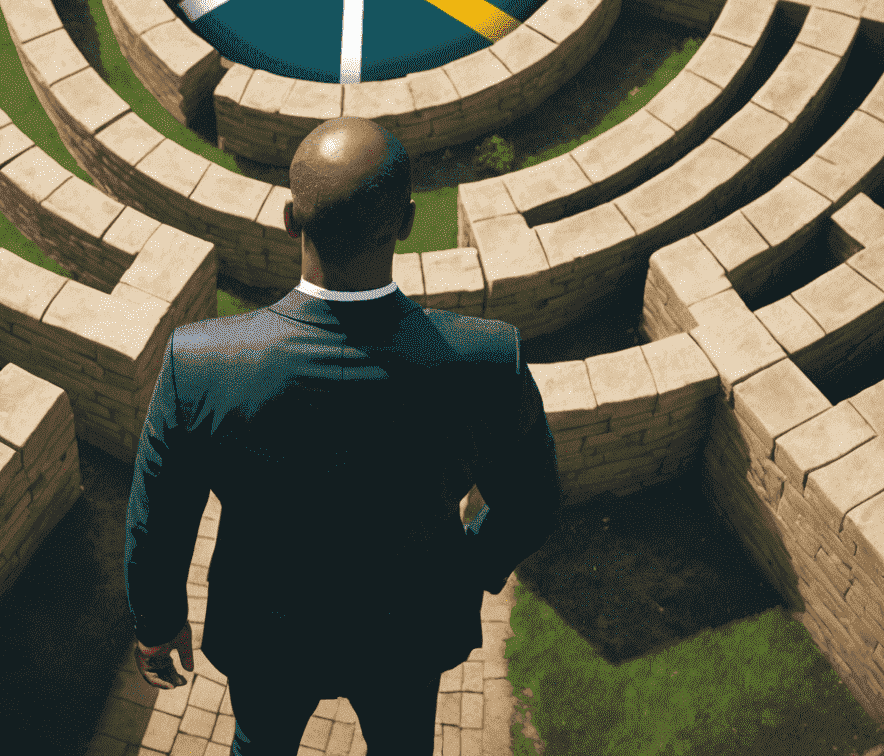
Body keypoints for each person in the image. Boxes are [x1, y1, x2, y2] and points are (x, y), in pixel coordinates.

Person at [123, 116, 561, 756]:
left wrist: (157, 625)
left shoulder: (202, 362)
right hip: (408, 626)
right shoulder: (486, 360)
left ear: (288, 219)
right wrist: (468, 567)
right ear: (407, 221)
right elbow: (533, 501)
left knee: (260, 742)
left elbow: (156, 517)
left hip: (267, 630)